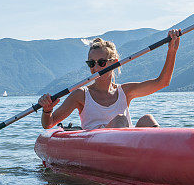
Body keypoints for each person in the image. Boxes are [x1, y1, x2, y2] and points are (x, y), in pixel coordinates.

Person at [38, 29, 181, 130]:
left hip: (127, 143)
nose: (95, 68)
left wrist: (172, 51)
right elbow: (48, 124)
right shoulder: (80, 95)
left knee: (147, 119)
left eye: (101, 62)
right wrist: (47, 110)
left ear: (114, 63)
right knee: (120, 119)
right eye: (91, 63)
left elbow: (162, 82)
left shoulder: (125, 91)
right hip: (99, 148)